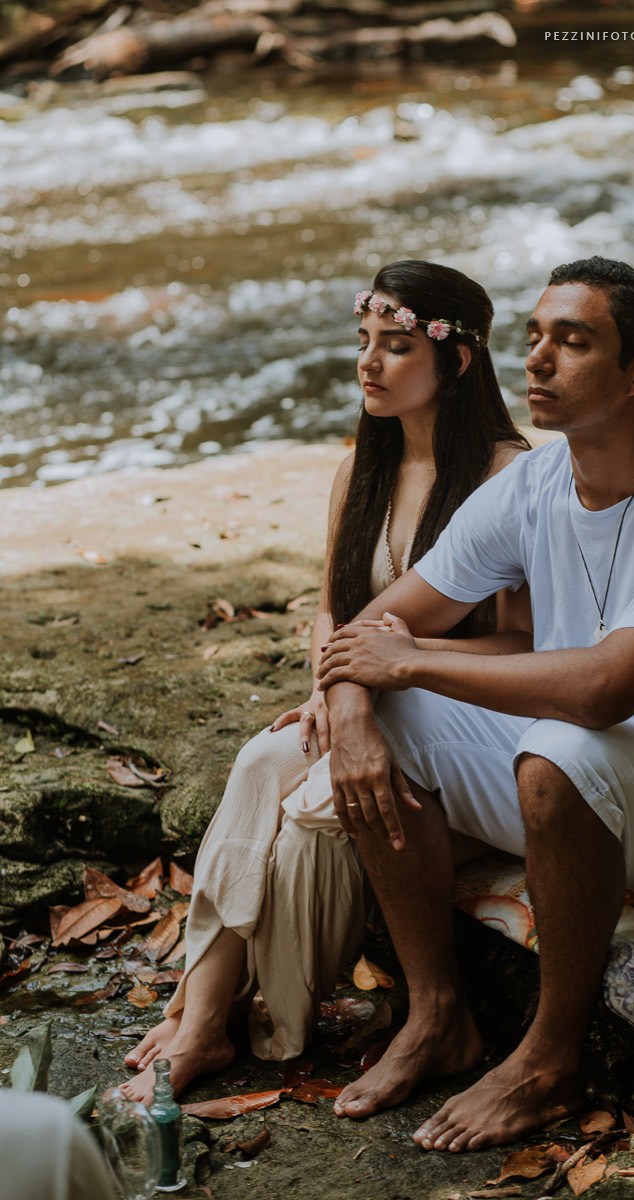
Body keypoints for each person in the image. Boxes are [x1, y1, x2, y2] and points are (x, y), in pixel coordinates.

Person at [316, 256, 634, 1152]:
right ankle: (438, 1013)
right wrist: (351, 713)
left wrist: (409, 664)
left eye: (572, 341)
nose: (537, 359)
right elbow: (383, 620)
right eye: (534, 336)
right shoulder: (532, 484)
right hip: (571, 771)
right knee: (394, 720)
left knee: (555, 752)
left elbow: (605, 687)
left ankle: (549, 1059)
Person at [120, 259, 530, 1103]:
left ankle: (250, 1020)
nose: (368, 364)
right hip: (367, 704)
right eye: (364, 343)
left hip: (475, 732)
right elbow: (333, 611)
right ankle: (203, 1021)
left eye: (396, 346)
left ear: (456, 362)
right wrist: (330, 689)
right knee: (259, 762)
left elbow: (529, 647)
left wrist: (398, 671)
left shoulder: (507, 475)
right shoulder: (362, 470)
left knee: (314, 823)